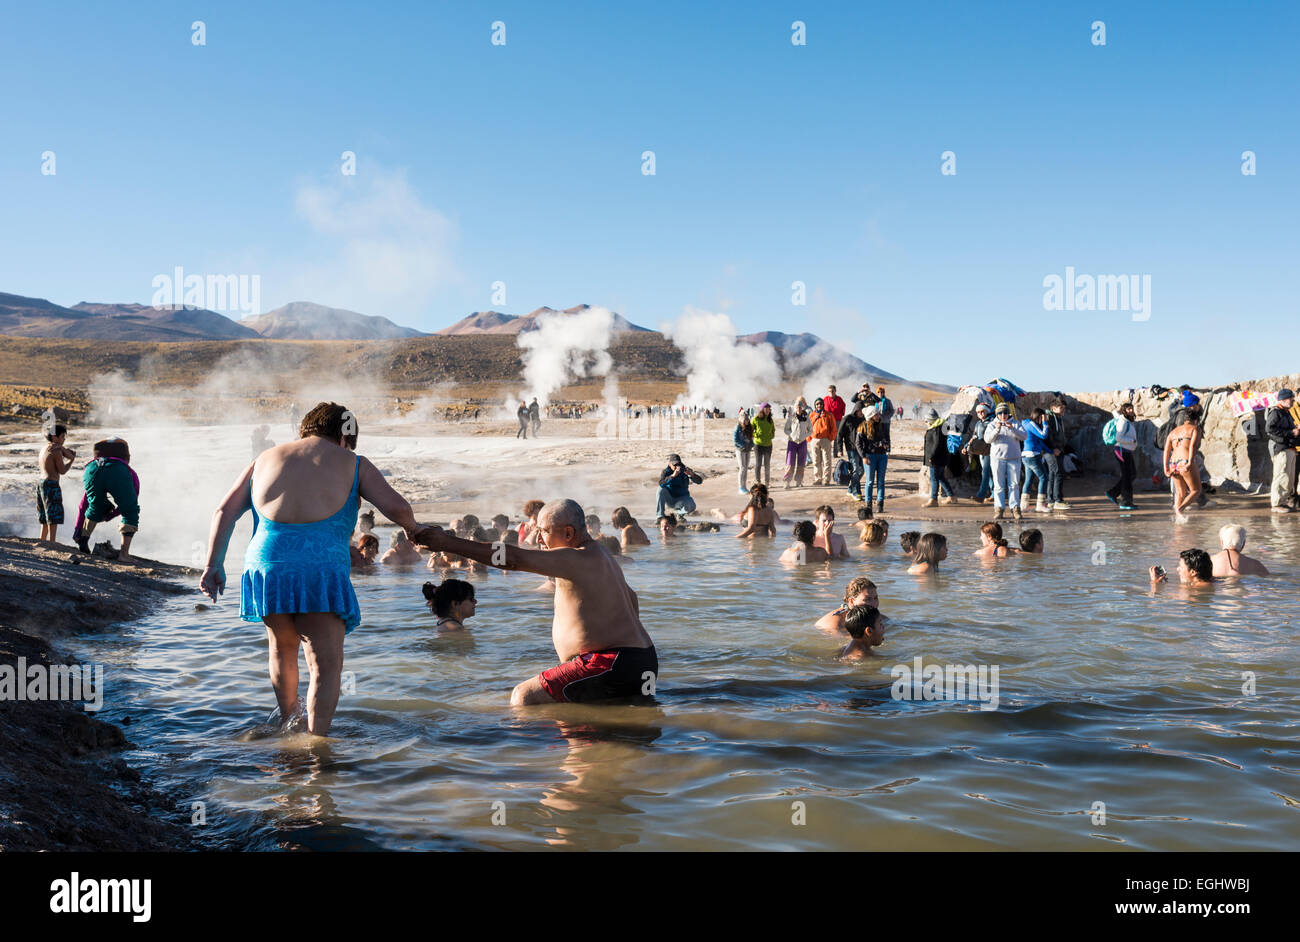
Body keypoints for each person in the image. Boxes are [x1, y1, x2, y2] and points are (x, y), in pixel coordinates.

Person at [200, 401, 430, 736]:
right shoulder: (354, 463)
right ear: (344, 435)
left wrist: (213, 564)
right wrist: (414, 530)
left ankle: (288, 722)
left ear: (305, 428)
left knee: (281, 648)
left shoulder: (264, 459)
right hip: (318, 567)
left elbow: (224, 511)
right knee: (324, 662)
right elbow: (397, 506)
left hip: (267, 565)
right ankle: (316, 745)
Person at [416, 499, 657, 704]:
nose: (538, 539)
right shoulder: (603, 555)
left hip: (610, 662)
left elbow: (511, 558)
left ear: (569, 533)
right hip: (642, 661)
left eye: (543, 531)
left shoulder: (575, 557)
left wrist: (447, 543)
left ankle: (529, 752)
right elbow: (632, 601)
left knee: (523, 697)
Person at [79, 437, 140, 560]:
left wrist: (77, 529)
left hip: (90, 470)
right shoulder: (127, 470)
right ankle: (124, 555)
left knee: (95, 506)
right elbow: (129, 504)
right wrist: (110, 516)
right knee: (130, 511)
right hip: (117, 472)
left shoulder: (93, 464)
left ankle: (83, 540)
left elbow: (84, 504)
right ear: (126, 457)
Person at [985, 403, 1027, 520]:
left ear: (1008, 413)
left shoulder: (1015, 423)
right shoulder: (992, 425)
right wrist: (997, 429)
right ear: (997, 414)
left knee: (1014, 485)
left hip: (1014, 459)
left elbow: (1024, 436)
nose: (1003, 415)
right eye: (1000, 413)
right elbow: (987, 439)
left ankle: (1015, 509)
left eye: (1005, 413)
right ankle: (999, 509)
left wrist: (1012, 428)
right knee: (998, 485)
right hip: (997, 459)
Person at [36, 423, 76, 544]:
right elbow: (62, 470)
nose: (64, 440)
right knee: (53, 516)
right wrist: (72, 460)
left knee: (44, 516)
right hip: (51, 484)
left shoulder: (45, 448)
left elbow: (67, 453)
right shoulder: (56, 450)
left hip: (41, 483)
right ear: (55, 437)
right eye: (63, 437)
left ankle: (42, 540)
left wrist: (64, 450)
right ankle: (52, 542)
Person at [815, 576, 888, 638]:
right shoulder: (835, 625)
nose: (874, 604)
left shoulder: (875, 617)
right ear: (852, 601)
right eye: (867, 599)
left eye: (875, 598)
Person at [1164, 408, 1203, 523]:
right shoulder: (1194, 429)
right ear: (1195, 420)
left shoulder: (1173, 432)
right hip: (1185, 461)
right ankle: (1180, 509)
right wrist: (1190, 462)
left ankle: (1178, 517)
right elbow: (1192, 447)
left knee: (1180, 492)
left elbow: (1166, 451)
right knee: (1196, 490)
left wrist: (1166, 468)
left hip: (1173, 463)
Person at [1266, 388, 1300, 513]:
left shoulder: (1286, 412)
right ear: (1284, 399)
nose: (1293, 401)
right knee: (1281, 476)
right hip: (1282, 449)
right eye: (1291, 398)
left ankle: (1283, 502)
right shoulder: (1276, 412)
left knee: (1289, 478)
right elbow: (1270, 429)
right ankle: (1276, 504)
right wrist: (1291, 432)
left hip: (1290, 449)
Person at [1104, 401, 1139, 511]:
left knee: (1131, 474)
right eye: (1128, 409)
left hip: (1127, 451)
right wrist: (1132, 441)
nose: (1131, 411)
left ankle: (1113, 493)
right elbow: (1118, 438)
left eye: (1132, 408)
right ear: (1124, 411)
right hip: (1121, 451)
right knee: (1127, 476)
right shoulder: (1123, 422)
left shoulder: (1128, 421)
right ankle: (1126, 502)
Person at [1020, 408, 1053, 514]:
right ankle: (1040, 505)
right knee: (1044, 478)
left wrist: (1049, 451)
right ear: (1039, 416)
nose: (1044, 419)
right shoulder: (1031, 424)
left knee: (1028, 480)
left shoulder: (1026, 424)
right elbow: (1043, 435)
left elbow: (1038, 441)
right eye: (1043, 417)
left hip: (1026, 455)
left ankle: (1023, 506)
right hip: (1032, 455)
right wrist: (1045, 423)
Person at [922, 410, 956, 507]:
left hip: (936, 458)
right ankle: (951, 496)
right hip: (942, 457)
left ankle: (933, 500)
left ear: (931, 421)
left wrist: (931, 456)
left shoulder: (937, 429)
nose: (925, 423)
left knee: (934, 478)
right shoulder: (940, 427)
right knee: (940, 477)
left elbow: (937, 444)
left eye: (926, 421)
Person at [858, 409, 889, 513]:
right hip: (869, 456)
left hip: (882, 456)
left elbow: (886, 438)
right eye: (876, 414)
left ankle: (880, 505)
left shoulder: (882, 425)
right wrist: (863, 456)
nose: (878, 416)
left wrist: (886, 445)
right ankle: (868, 505)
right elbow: (858, 443)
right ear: (871, 415)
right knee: (870, 481)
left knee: (881, 481)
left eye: (878, 414)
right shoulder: (863, 426)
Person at [656, 453, 703, 518]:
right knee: (660, 489)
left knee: (692, 505)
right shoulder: (666, 472)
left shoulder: (685, 470)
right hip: (670, 499)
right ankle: (660, 516)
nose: (677, 467)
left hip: (683, 499)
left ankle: (678, 514)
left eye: (679, 464)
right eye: (675, 465)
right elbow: (661, 483)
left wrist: (691, 475)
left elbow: (699, 481)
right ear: (669, 464)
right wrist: (672, 476)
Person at [964, 402, 994, 504]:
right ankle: (993, 494)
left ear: (987, 411)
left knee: (985, 472)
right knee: (986, 473)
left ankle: (981, 495)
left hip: (989, 450)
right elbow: (974, 436)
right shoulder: (978, 423)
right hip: (980, 450)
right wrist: (966, 446)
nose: (980, 413)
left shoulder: (992, 422)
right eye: (978, 412)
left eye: (982, 411)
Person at [838, 399, 866, 500]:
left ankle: (850, 489)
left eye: (863, 411)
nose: (861, 413)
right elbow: (840, 434)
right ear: (856, 410)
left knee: (861, 470)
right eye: (860, 410)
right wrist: (840, 449)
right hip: (851, 448)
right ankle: (856, 492)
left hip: (862, 449)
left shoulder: (864, 420)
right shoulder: (847, 418)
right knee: (855, 469)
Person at [1045, 399, 1070, 510]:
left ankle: (1052, 500)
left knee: (1053, 474)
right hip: (1052, 451)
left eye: (1064, 407)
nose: (1063, 409)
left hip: (1058, 449)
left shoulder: (1058, 419)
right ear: (1053, 408)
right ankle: (1057, 500)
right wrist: (1054, 448)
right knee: (1057, 473)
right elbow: (1049, 435)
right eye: (1061, 407)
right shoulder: (1050, 418)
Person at [782, 399, 812, 488]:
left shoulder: (806, 418)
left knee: (801, 463)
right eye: (797, 407)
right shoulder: (791, 418)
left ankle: (799, 481)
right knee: (790, 462)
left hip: (802, 442)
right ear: (795, 408)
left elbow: (811, 430)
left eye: (800, 407)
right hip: (792, 442)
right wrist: (791, 434)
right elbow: (786, 429)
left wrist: (805, 436)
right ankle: (787, 481)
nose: (798, 408)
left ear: (802, 408)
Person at [808, 397, 837, 486]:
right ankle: (818, 479)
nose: (819, 405)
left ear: (823, 405)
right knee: (816, 461)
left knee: (826, 461)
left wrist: (830, 438)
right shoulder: (812, 415)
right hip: (814, 440)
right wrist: (809, 439)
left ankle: (826, 479)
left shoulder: (829, 415)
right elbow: (807, 427)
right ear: (815, 405)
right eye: (817, 404)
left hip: (825, 440)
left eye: (820, 404)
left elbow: (834, 428)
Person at [751, 403, 775, 485]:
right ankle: (758, 481)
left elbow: (773, 430)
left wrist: (771, 436)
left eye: (769, 409)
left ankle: (767, 482)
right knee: (758, 464)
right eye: (766, 409)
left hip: (768, 445)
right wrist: (756, 435)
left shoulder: (770, 420)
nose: (768, 410)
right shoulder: (756, 419)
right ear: (762, 410)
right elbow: (750, 430)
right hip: (758, 445)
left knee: (767, 465)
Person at [734, 410, 755, 494]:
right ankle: (740, 487)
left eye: (747, 419)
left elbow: (752, 439)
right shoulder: (737, 427)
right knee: (742, 468)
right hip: (740, 450)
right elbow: (735, 440)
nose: (747, 421)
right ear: (741, 419)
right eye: (745, 419)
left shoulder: (749, 427)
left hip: (747, 450)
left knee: (746, 468)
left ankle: (744, 486)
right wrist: (743, 445)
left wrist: (751, 445)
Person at [824, 385, 846, 458]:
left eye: (832, 391)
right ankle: (827, 453)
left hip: (837, 420)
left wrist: (841, 414)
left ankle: (835, 454)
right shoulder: (825, 399)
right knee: (827, 437)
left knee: (836, 437)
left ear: (835, 391)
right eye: (829, 391)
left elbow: (843, 406)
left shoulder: (839, 399)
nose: (831, 393)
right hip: (827, 421)